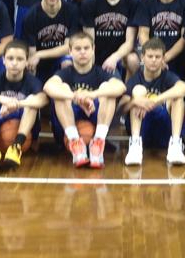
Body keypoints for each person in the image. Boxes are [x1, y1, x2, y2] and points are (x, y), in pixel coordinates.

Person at [43, 32, 125, 169]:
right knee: (61, 90)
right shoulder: (65, 72)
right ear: (70, 51)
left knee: (107, 89)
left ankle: (98, 143)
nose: (82, 52)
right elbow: (48, 86)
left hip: (94, 115)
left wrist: (92, 95)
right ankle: (75, 143)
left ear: (93, 50)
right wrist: (77, 97)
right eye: (78, 49)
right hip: (70, 118)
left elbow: (121, 87)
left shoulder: (100, 72)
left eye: (86, 48)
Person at [0, 39, 48, 171]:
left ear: (26, 62)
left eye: (19, 59)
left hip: (21, 120)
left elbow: (43, 99)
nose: (14, 63)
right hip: (1, 116)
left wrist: (17, 104)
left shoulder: (32, 81)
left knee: (32, 102)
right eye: (10, 58)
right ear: (3, 60)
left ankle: (16, 146)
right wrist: (2, 99)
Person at [122, 37, 185, 166]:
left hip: (165, 129)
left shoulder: (168, 76)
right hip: (143, 129)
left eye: (157, 57)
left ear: (163, 59)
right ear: (142, 58)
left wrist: (154, 101)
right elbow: (121, 108)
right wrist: (136, 102)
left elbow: (184, 87)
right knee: (138, 92)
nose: (153, 60)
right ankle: (135, 144)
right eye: (150, 56)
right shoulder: (136, 78)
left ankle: (175, 144)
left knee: (177, 96)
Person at [80, 0, 138, 76]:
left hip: (121, 56)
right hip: (98, 55)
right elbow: (90, 42)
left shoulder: (133, 2)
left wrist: (114, 57)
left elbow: (130, 42)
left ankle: (129, 93)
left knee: (133, 60)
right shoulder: (89, 3)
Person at [21, 0, 82, 82]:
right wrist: (35, 59)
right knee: (30, 66)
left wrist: (40, 54)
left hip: (60, 58)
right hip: (41, 64)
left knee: (68, 61)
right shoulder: (31, 16)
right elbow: (32, 53)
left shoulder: (72, 11)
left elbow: (69, 47)